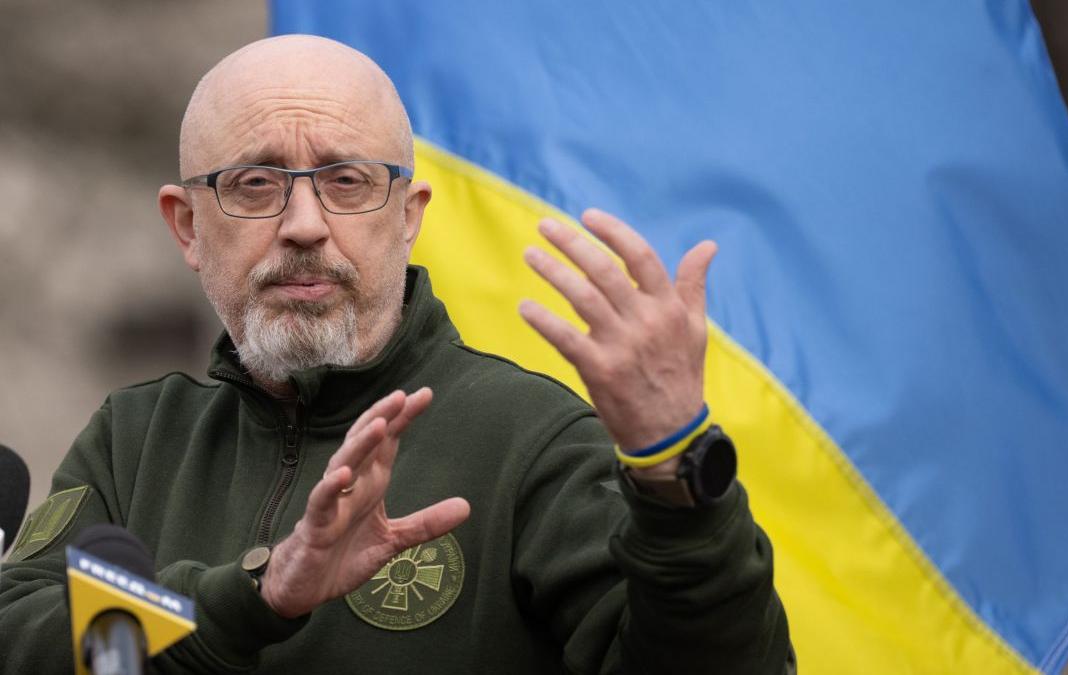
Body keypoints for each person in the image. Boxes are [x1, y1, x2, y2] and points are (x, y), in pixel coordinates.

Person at [0, 35, 790, 673]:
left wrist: (675, 474)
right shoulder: (137, 438)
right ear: (187, 227)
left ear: (409, 216)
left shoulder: (533, 440)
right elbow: (19, 634)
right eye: (254, 183)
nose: (304, 224)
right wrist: (254, 599)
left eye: (346, 181)